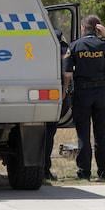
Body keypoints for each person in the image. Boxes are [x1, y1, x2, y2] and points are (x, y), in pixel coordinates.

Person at [63, 15, 105, 180]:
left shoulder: (74, 46)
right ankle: (103, 171)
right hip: (101, 93)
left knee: (83, 134)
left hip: (83, 94)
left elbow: (67, 73)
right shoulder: (102, 44)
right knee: (102, 133)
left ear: (82, 28)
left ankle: (84, 171)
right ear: (97, 28)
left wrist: (66, 89)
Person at [43, 29, 70, 181]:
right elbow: (67, 69)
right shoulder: (60, 42)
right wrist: (65, 89)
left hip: (33, 92)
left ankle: (39, 168)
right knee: (49, 133)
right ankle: (45, 169)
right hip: (54, 92)